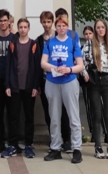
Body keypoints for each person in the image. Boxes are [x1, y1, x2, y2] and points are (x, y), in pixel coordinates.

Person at [40, 13, 84, 164]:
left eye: (64, 25)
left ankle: (77, 148)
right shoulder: (49, 43)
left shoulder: (72, 42)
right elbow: (43, 63)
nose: (61, 28)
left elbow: (80, 65)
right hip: (52, 82)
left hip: (69, 81)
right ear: (55, 27)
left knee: (73, 116)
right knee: (54, 116)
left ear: (67, 27)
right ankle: (55, 148)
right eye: (58, 25)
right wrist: (56, 68)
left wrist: (69, 70)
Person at [82, 19, 108, 159]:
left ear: (106, 29)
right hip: (95, 82)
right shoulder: (89, 45)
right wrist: (85, 74)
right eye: (98, 27)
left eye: (102, 27)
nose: (100, 30)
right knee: (96, 115)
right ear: (95, 29)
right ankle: (98, 146)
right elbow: (81, 62)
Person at [35, 11, 71, 152]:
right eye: (44, 22)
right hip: (46, 80)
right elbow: (38, 62)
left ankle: (66, 140)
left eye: (49, 22)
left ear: (52, 22)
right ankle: (54, 140)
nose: (46, 24)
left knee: (63, 111)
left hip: (62, 79)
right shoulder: (39, 40)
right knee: (49, 112)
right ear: (41, 23)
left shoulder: (59, 36)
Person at [6, 17, 40, 159]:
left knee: (29, 117)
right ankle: (13, 145)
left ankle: (28, 145)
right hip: (14, 87)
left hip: (29, 87)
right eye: (20, 27)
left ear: (29, 28)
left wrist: (36, 86)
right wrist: (7, 85)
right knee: (13, 117)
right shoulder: (13, 44)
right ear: (17, 29)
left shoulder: (34, 45)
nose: (23, 29)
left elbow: (37, 67)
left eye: (25, 27)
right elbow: (8, 66)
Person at [0, 9, 17, 155]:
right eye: (0, 21)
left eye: (5, 20)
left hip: (12, 80)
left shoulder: (15, 38)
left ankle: (13, 142)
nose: (2, 23)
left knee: (12, 113)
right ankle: (0, 141)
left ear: (9, 22)